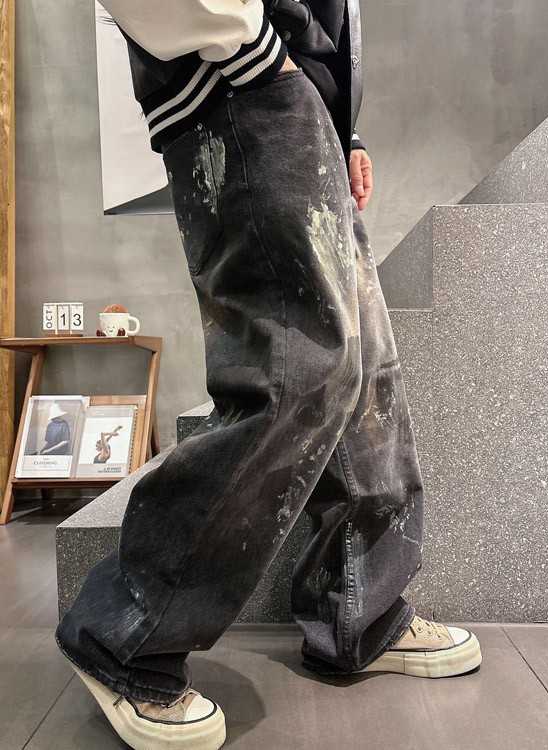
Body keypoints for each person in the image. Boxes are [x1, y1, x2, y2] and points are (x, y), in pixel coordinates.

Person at [55, 2, 482, 749]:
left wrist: (340, 122)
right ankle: (123, 631)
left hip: (289, 97)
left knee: (362, 374)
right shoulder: (247, 68)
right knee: (292, 374)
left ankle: (358, 612)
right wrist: (254, 53)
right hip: (238, 88)